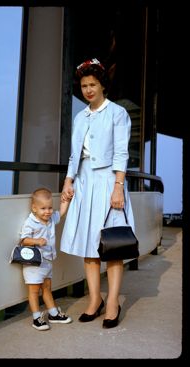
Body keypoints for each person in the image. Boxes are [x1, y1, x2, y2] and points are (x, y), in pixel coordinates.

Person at [60, 58, 135, 329]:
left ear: (102, 85)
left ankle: (112, 302)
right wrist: (68, 182)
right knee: (88, 247)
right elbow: (74, 155)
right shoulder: (81, 117)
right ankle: (95, 300)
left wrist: (118, 187)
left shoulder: (117, 113)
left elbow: (121, 153)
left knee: (113, 245)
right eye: (83, 85)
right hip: (83, 184)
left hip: (108, 182)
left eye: (92, 84)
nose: (88, 90)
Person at [19, 187, 72, 331]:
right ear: (34, 208)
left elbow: (61, 213)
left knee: (47, 288)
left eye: (50, 208)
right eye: (43, 208)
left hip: (47, 262)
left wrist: (66, 200)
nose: (47, 211)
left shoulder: (50, 219)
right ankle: (37, 318)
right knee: (34, 291)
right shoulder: (30, 223)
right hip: (34, 264)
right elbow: (23, 240)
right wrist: (36, 241)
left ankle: (53, 314)